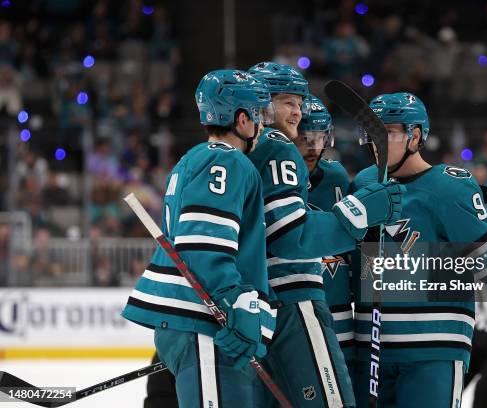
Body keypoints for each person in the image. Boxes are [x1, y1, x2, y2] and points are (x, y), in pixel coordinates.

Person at [351, 92, 487, 408]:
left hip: (433, 352)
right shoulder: (362, 184)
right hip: (370, 352)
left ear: (415, 136)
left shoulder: (449, 188)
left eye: (387, 132)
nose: (376, 142)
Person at [247, 62, 402, 407]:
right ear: (262, 101)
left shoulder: (233, 150)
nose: (297, 113)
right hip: (294, 302)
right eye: (289, 102)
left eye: (300, 105)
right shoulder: (275, 146)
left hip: (255, 306)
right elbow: (293, 238)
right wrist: (363, 212)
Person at [122, 70, 277, 407]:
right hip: (207, 328)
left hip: (194, 327)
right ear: (241, 119)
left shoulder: (191, 159)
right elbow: (204, 244)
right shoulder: (227, 161)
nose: (261, 125)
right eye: (257, 115)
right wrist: (238, 303)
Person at [294, 95, 355, 370]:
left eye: (319, 138)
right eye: (304, 137)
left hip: (338, 310)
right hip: (291, 311)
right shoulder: (265, 177)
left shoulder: (337, 177)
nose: (312, 147)